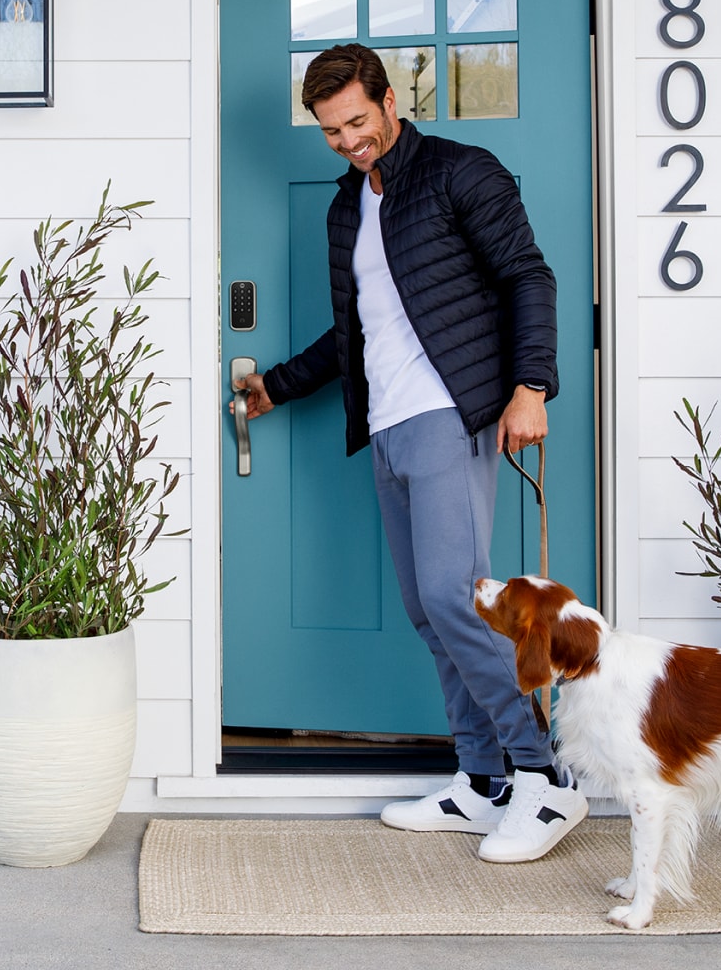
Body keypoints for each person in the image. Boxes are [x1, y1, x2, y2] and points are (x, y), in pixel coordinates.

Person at [232, 43, 587, 863]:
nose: (347, 140)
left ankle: (546, 778)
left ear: (390, 101)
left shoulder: (462, 172)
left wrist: (531, 386)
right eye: (329, 130)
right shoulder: (348, 207)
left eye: (357, 120)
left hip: (450, 411)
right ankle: (481, 780)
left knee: (456, 599)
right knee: (432, 612)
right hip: (389, 423)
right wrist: (278, 386)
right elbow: (357, 333)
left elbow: (529, 277)